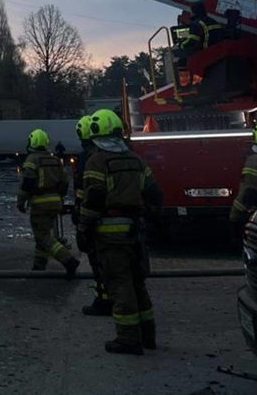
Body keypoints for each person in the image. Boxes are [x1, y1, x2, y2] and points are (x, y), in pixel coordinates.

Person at [77, 109, 164, 355]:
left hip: (109, 233)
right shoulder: (136, 160)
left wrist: (84, 229)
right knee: (138, 283)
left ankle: (128, 339)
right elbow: (155, 194)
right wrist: (151, 218)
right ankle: (148, 335)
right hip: (136, 231)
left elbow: (93, 199)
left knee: (120, 284)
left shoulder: (97, 160)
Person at [18, 129, 81, 277]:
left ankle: (68, 260)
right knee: (44, 234)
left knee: (42, 236)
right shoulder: (55, 160)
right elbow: (65, 182)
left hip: (40, 203)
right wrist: (59, 197)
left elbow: (27, 183)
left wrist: (21, 202)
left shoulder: (32, 160)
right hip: (56, 202)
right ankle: (39, 267)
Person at [72, 115, 112, 316]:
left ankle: (104, 301)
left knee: (98, 262)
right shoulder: (122, 155)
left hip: (97, 219)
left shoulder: (89, 159)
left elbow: (86, 192)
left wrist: (81, 220)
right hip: (126, 219)